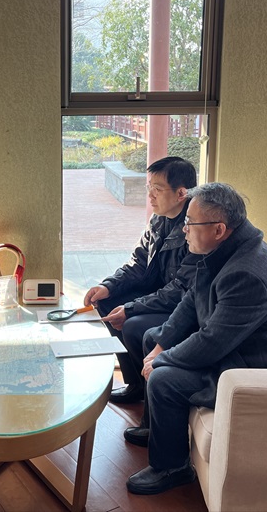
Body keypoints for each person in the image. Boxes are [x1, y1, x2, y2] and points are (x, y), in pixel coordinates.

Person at [125, 182, 267, 496]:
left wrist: (162, 359)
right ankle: (156, 428)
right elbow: (190, 301)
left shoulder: (247, 273)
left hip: (260, 372)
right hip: (235, 349)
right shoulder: (223, 248)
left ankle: (173, 468)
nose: (184, 229)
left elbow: (211, 342)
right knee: (152, 338)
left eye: (189, 223)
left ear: (219, 229)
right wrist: (161, 344)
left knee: (164, 379)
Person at [84, 156, 199, 405]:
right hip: (161, 296)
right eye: (149, 187)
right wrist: (108, 286)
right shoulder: (158, 219)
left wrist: (131, 308)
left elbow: (181, 290)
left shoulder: (195, 227)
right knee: (106, 302)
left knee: (132, 324)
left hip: (182, 307)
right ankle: (135, 382)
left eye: (157, 189)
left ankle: (149, 390)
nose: (150, 195)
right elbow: (138, 263)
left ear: (181, 193)